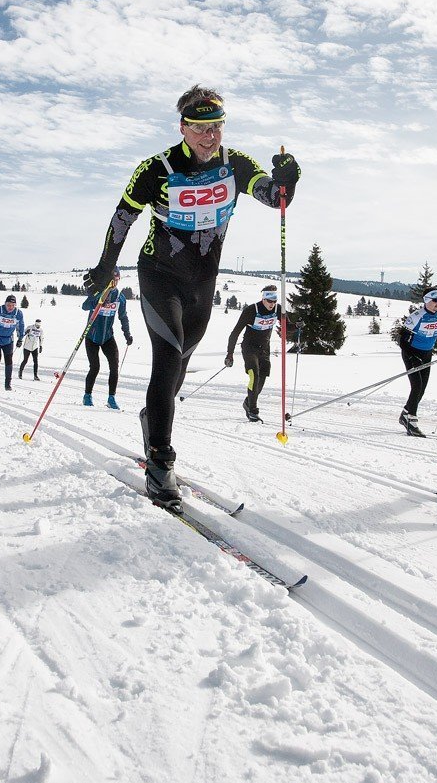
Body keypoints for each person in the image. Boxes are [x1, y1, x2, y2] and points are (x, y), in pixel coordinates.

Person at [81, 86, 299, 507]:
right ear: (183, 127)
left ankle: (153, 418)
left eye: (216, 127)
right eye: (199, 128)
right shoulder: (157, 167)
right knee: (167, 356)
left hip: (202, 282)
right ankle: (160, 460)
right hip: (160, 275)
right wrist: (107, 265)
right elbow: (123, 216)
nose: (208, 137)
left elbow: (275, 197)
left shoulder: (235, 163)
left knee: (179, 366)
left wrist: (288, 180)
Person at [224, 284, 283, 422]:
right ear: (263, 299)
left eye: (274, 301)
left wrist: (296, 325)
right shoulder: (251, 310)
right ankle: (253, 410)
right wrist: (230, 354)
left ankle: (248, 401)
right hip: (249, 348)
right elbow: (235, 333)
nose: (272, 304)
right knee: (254, 376)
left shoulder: (278, 309)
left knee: (262, 378)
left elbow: (288, 326)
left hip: (265, 349)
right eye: (269, 301)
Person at [396, 290, 437, 437]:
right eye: (435, 300)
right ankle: (411, 421)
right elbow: (402, 340)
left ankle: (405, 414)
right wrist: (411, 357)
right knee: (417, 386)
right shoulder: (416, 316)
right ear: (426, 301)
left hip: (426, 354)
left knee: (422, 389)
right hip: (411, 353)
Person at [81, 272, 132, 409]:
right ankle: (87, 395)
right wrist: (97, 300)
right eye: (112, 279)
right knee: (95, 367)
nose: (114, 282)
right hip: (91, 337)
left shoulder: (119, 297)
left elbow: (123, 317)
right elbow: (85, 306)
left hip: (108, 337)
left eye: (117, 279)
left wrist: (127, 334)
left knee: (114, 366)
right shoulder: (98, 292)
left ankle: (111, 398)